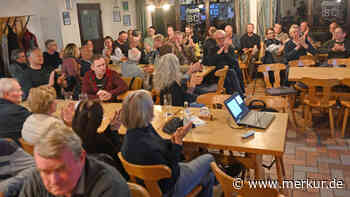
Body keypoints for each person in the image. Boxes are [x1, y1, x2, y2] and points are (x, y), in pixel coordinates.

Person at [121, 90, 215, 197]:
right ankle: (228, 183)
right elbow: (173, 174)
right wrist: (177, 145)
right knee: (209, 159)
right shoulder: (148, 146)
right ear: (147, 111)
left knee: (208, 177)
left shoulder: (131, 135)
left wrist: (173, 139)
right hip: (168, 189)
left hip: (146, 186)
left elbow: (160, 146)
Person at [19, 121, 130, 197]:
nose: (54, 181)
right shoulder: (35, 178)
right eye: (45, 172)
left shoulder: (110, 186)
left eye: (61, 169)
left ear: (81, 157)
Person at [71, 99, 128, 179]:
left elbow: (94, 137)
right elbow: (118, 155)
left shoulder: (73, 137)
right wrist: (115, 133)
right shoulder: (101, 142)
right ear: (98, 120)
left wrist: (110, 129)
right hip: (112, 179)